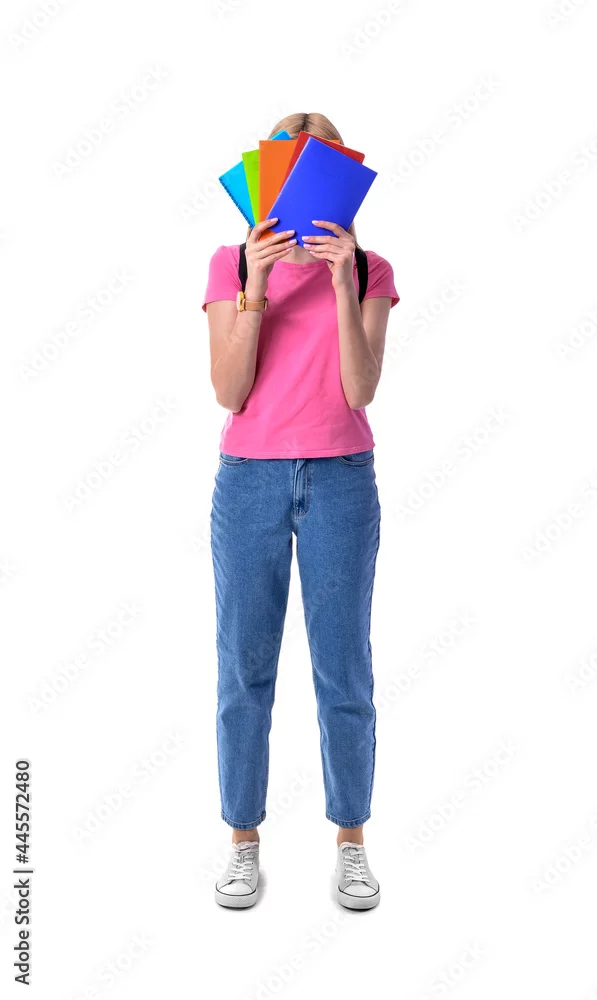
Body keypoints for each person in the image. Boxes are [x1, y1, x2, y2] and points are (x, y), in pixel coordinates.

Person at [202, 112, 399, 910]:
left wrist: (343, 283)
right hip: (248, 482)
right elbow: (229, 391)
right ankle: (242, 843)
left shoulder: (371, 268)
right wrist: (254, 287)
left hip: (341, 479)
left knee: (342, 670)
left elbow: (359, 388)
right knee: (243, 669)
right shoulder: (229, 263)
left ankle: (351, 844)